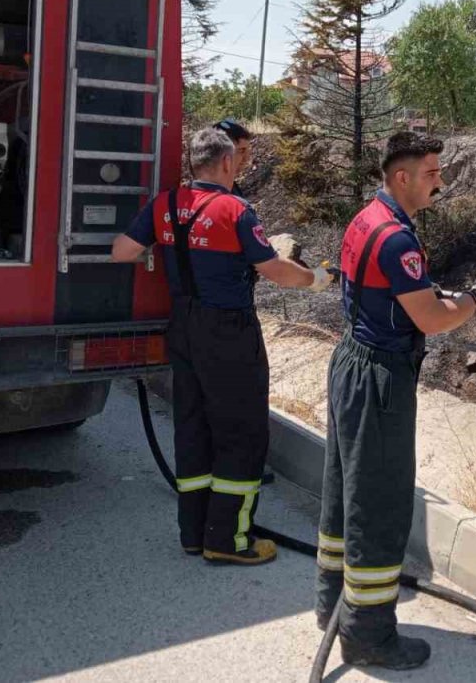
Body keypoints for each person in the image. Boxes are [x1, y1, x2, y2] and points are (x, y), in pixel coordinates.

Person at [314, 131, 476, 669]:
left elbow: (387, 291)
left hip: (351, 361)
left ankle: (333, 605)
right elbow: (433, 320)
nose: (439, 182)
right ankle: (368, 636)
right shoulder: (398, 239)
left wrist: (438, 294)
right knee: (379, 504)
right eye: (431, 173)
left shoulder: (367, 218)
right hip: (380, 378)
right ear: (402, 177)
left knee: (345, 491)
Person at [111, 125, 333, 564]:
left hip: (183, 326)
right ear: (228, 162)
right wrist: (316, 279)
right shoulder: (235, 209)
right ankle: (229, 540)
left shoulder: (166, 204)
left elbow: (122, 251)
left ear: (194, 163)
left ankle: (194, 534)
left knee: (193, 426)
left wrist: (170, 250)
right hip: (229, 331)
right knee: (241, 431)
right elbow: (275, 270)